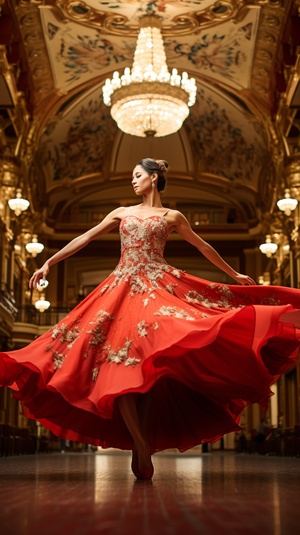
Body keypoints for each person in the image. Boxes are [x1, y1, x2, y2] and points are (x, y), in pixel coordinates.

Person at [0, 158, 300, 480]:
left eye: (138, 175)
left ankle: (140, 443)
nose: (133, 181)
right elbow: (84, 238)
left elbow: (203, 246)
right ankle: (141, 444)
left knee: (143, 373)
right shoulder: (121, 213)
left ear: (153, 178)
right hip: (120, 290)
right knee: (119, 368)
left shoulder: (173, 216)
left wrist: (233, 273)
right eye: (132, 176)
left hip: (158, 287)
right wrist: (48, 262)